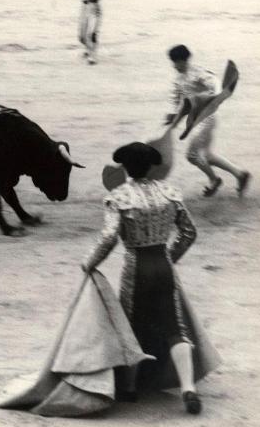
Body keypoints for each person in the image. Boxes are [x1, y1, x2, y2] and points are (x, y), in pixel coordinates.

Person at [82, 142, 207, 415]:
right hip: (163, 263)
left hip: (136, 266)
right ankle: (189, 389)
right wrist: (170, 258)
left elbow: (109, 237)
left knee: (131, 326)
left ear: (125, 168)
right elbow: (189, 233)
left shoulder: (119, 197)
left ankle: (129, 388)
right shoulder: (169, 192)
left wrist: (90, 262)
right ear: (152, 165)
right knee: (175, 328)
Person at [166, 45, 251, 197]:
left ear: (184, 61)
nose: (174, 65)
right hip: (197, 121)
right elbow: (176, 101)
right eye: (173, 62)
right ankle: (240, 175)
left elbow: (216, 84)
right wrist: (172, 118)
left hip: (207, 117)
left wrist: (209, 97)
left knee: (192, 156)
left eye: (176, 62)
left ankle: (214, 180)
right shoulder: (178, 79)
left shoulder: (198, 72)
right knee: (208, 155)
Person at [58, 0, 115, 65]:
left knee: (92, 34)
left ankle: (92, 56)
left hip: (95, 8)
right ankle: (88, 49)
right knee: (82, 37)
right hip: (84, 9)